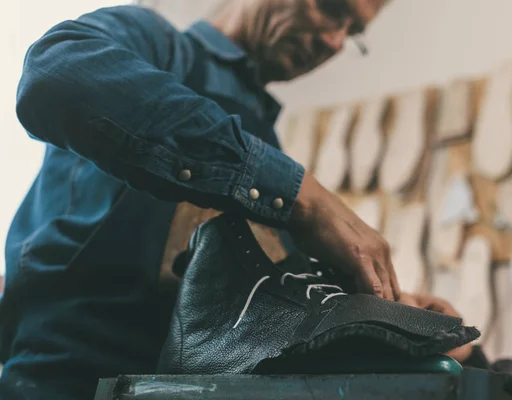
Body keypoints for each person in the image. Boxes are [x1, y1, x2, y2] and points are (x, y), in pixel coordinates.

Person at [0, 1, 470, 398]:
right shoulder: (155, 44)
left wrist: (384, 310)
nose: (335, 41)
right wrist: (303, 197)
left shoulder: (266, 139)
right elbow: (57, 73)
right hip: (65, 379)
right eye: (331, 7)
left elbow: (249, 294)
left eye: (353, 31)